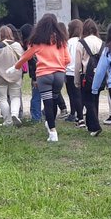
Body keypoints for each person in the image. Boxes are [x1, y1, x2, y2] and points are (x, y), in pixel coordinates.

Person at [12, 14, 71, 143]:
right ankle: (51, 124)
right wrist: (59, 65)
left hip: (44, 75)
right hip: (59, 75)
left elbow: (25, 57)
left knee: (47, 103)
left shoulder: (37, 41)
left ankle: (52, 131)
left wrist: (15, 67)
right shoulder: (62, 41)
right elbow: (68, 59)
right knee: (55, 100)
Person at [0, 25, 25, 126]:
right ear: (10, 33)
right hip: (15, 75)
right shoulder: (17, 45)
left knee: (2, 98)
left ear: (0, 34)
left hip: (0, 77)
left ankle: (8, 121)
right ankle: (15, 113)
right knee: (15, 97)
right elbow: (23, 58)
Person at [76, 19, 105, 136]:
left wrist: (76, 80)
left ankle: (95, 126)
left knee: (87, 100)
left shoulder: (81, 43)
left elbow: (78, 63)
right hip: (99, 74)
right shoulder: (101, 42)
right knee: (95, 99)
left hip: (85, 75)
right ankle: (91, 124)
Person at [19, 23, 40, 123]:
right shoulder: (39, 41)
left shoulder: (30, 45)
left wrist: (35, 78)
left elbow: (34, 63)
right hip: (46, 72)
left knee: (36, 97)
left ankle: (36, 118)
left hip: (38, 74)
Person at [64, 19, 84, 125]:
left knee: (72, 95)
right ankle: (78, 113)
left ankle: (75, 114)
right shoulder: (82, 41)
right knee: (79, 94)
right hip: (80, 71)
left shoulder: (69, 42)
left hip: (69, 71)